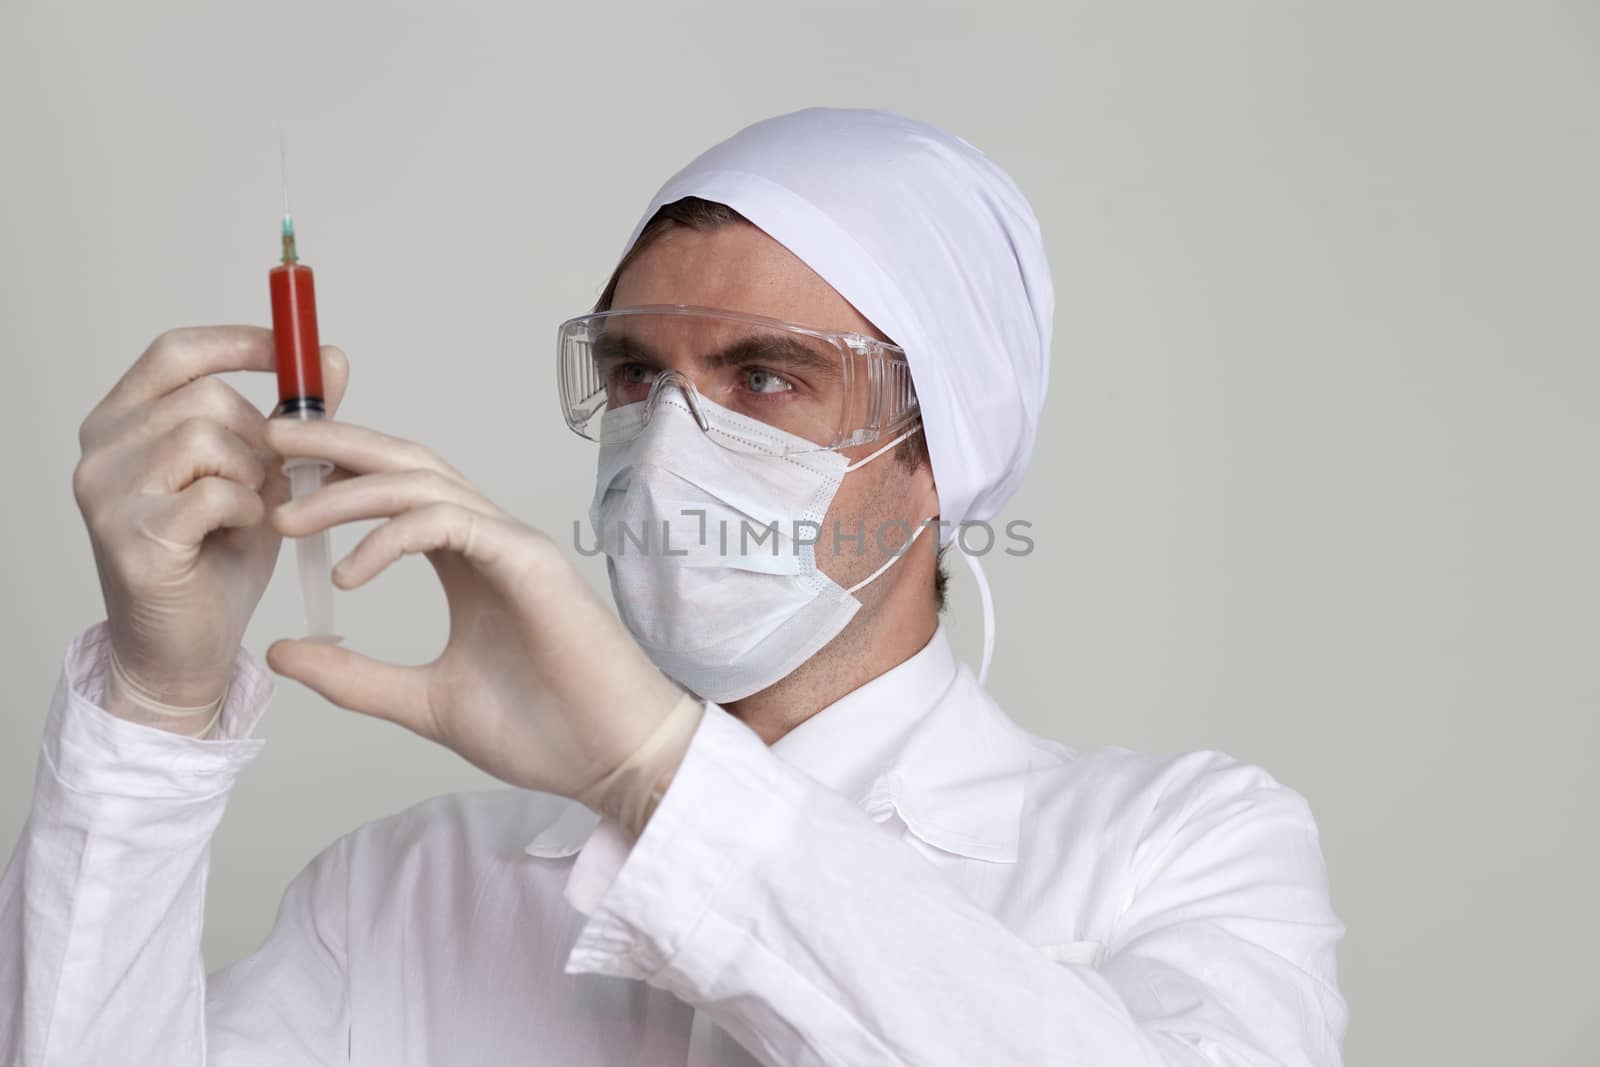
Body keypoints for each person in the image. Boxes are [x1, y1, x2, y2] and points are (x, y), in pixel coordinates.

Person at [0, 108, 1347, 1065]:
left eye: (765, 377)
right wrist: (151, 711)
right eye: (639, 377)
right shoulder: (408, 892)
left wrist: (659, 775)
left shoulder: (1177, 850)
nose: (668, 449)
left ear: (944, 449)